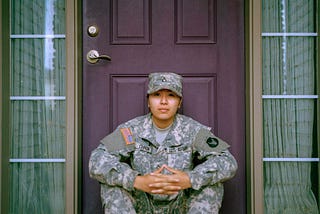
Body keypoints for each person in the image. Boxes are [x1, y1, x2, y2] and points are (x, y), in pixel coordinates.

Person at [89, 72, 238, 214]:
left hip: (181, 205)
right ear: (148, 101)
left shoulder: (194, 131)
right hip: (140, 205)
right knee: (112, 187)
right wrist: (135, 180)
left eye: (171, 95)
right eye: (157, 95)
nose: (164, 102)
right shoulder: (131, 130)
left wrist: (190, 179)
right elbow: (97, 160)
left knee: (212, 186)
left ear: (179, 102)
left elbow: (227, 161)